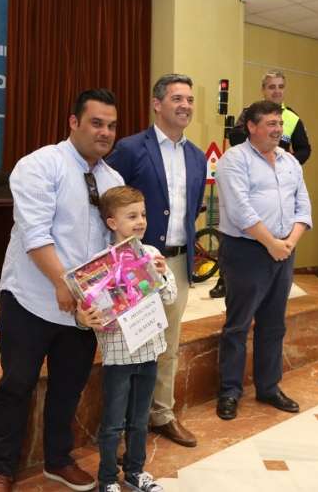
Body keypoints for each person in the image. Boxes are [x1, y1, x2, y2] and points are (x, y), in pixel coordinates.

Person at [0, 89, 124, 492]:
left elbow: (115, 244)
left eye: (111, 126)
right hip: (30, 300)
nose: (104, 132)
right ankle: (1, 469)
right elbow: (35, 234)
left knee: (69, 387)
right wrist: (64, 283)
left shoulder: (113, 180)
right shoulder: (39, 165)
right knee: (16, 386)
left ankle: (58, 460)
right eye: (96, 123)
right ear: (74, 122)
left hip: (83, 310)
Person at [106, 74, 207, 448]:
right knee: (129, 347)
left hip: (176, 264)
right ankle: (120, 429)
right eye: (177, 98)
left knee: (168, 345)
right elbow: (110, 202)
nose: (185, 105)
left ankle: (161, 414)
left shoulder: (197, 157)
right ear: (157, 104)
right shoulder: (131, 149)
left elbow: (193, 208)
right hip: (135, 263)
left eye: (190, 99)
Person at [214, 100, 312, 421]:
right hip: (246, 251)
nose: (277, 130)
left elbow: (303, 207)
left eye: (279, 124)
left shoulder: (290, 162)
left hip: (284, 250)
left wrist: (288, 244)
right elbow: (240, 211)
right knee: (238, 325)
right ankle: (230, 391)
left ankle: (268, 387)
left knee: (274, 324)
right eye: (271, 124)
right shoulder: (234, 159)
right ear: (252, 127)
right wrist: (271, 244)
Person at [76, 186, 175, 492]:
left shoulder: (152, 255)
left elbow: (170, 297)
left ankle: (135, 471)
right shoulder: (98, 265)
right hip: (118, 356)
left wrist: (162, 275)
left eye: (142, 214)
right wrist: (84, 318)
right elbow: (89, 313)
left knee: (140, 419)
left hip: (149, 351)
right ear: (112, 222)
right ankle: (108, 479)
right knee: (113, 422)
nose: (140, 221)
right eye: (131, 216)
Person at [211, 69, 312, 299]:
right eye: (271, 86)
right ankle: (223, 281)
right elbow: (235, 137)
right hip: (246, 240)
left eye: (280, 87)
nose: (276, 91)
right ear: (263, 89)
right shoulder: (249, 113)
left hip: (281, 180)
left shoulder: (293, 118)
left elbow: (305, 149)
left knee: (274, 311)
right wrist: (260, 152)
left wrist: (286, 163)